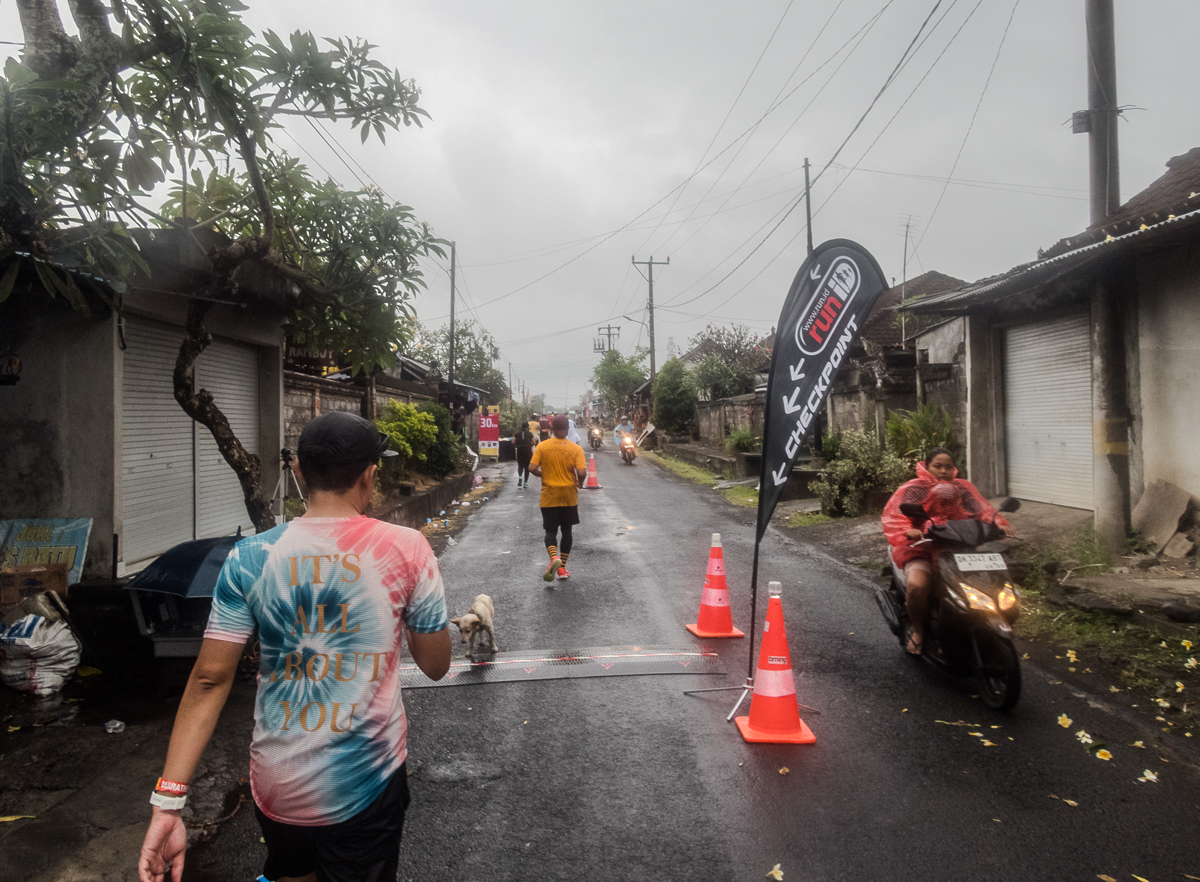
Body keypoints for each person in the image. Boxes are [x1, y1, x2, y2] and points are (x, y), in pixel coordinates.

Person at [137, 412, 451, 882]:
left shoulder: (250, 557)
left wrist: (169, 802)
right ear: (369, 474)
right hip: (367, 781)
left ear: (300, 473)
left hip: (277, 783)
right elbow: (435, 664)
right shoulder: (406, 549)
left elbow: (208, 679)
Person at [882, 446, 1012, 657]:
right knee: (917, 584)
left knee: (983, 587)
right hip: (922, 546)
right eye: (938, 466)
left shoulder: (963, 488)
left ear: (954, 469)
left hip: (959, 546)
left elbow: (983, 510)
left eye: (948, 467)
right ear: (927, 466)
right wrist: (909, 530)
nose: (943, 471)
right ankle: (918, 631)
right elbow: (896, 514)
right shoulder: (914, 488)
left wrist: (999, 524)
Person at [528, 414, 587, 582]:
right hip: (568, 496)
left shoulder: (543, 446)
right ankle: (562, 569)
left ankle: (554, 558)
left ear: (552, 428)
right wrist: (580, 482)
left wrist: (543, 475)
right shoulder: (576, 449)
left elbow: (531, 467)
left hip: (549, 496)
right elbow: (582, 472)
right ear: (568, 429)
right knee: (567, 530)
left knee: (550, 531)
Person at [513, 417, 536, 489]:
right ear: (527, 427)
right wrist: (530, 444)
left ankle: (520, 477)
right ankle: (525, 483)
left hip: (520, 450)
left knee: (520, 465)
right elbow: (534, 442)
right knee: (527, 467)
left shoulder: (517, 433)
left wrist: (517, 445)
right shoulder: (530, 434)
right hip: (527, 451)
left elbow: (513, 442)